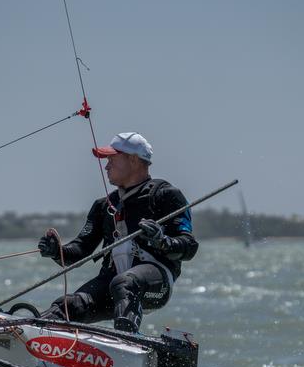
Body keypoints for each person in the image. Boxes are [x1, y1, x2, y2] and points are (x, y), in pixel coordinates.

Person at [37, 132, 198, 333]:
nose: (106, 166)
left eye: (112, 159)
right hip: (114, 282)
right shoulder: (103, 206)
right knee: (69, 305)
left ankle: (126, 345)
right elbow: (80, 250)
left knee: (125, 283)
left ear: (133, 160)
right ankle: (33, 335)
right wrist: (56, 251)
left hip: (156, 283)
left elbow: (189, 247)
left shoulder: (166, 195)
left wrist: (162, 241)